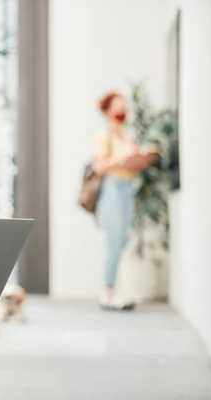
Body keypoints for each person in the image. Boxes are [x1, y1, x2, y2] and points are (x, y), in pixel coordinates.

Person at [92, 91, 158, 311]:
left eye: (125, 107)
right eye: (118, 107)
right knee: (113, 240)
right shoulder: (105, 136)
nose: (123, 112)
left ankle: (114, 289)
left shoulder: (124, 136)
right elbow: (99, 167)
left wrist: (142, 157)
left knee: (122, 240)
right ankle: (108, 292)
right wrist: (123, 157)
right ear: (108, 110)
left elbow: (129, 164)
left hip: (127, 188)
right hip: (112, 188)